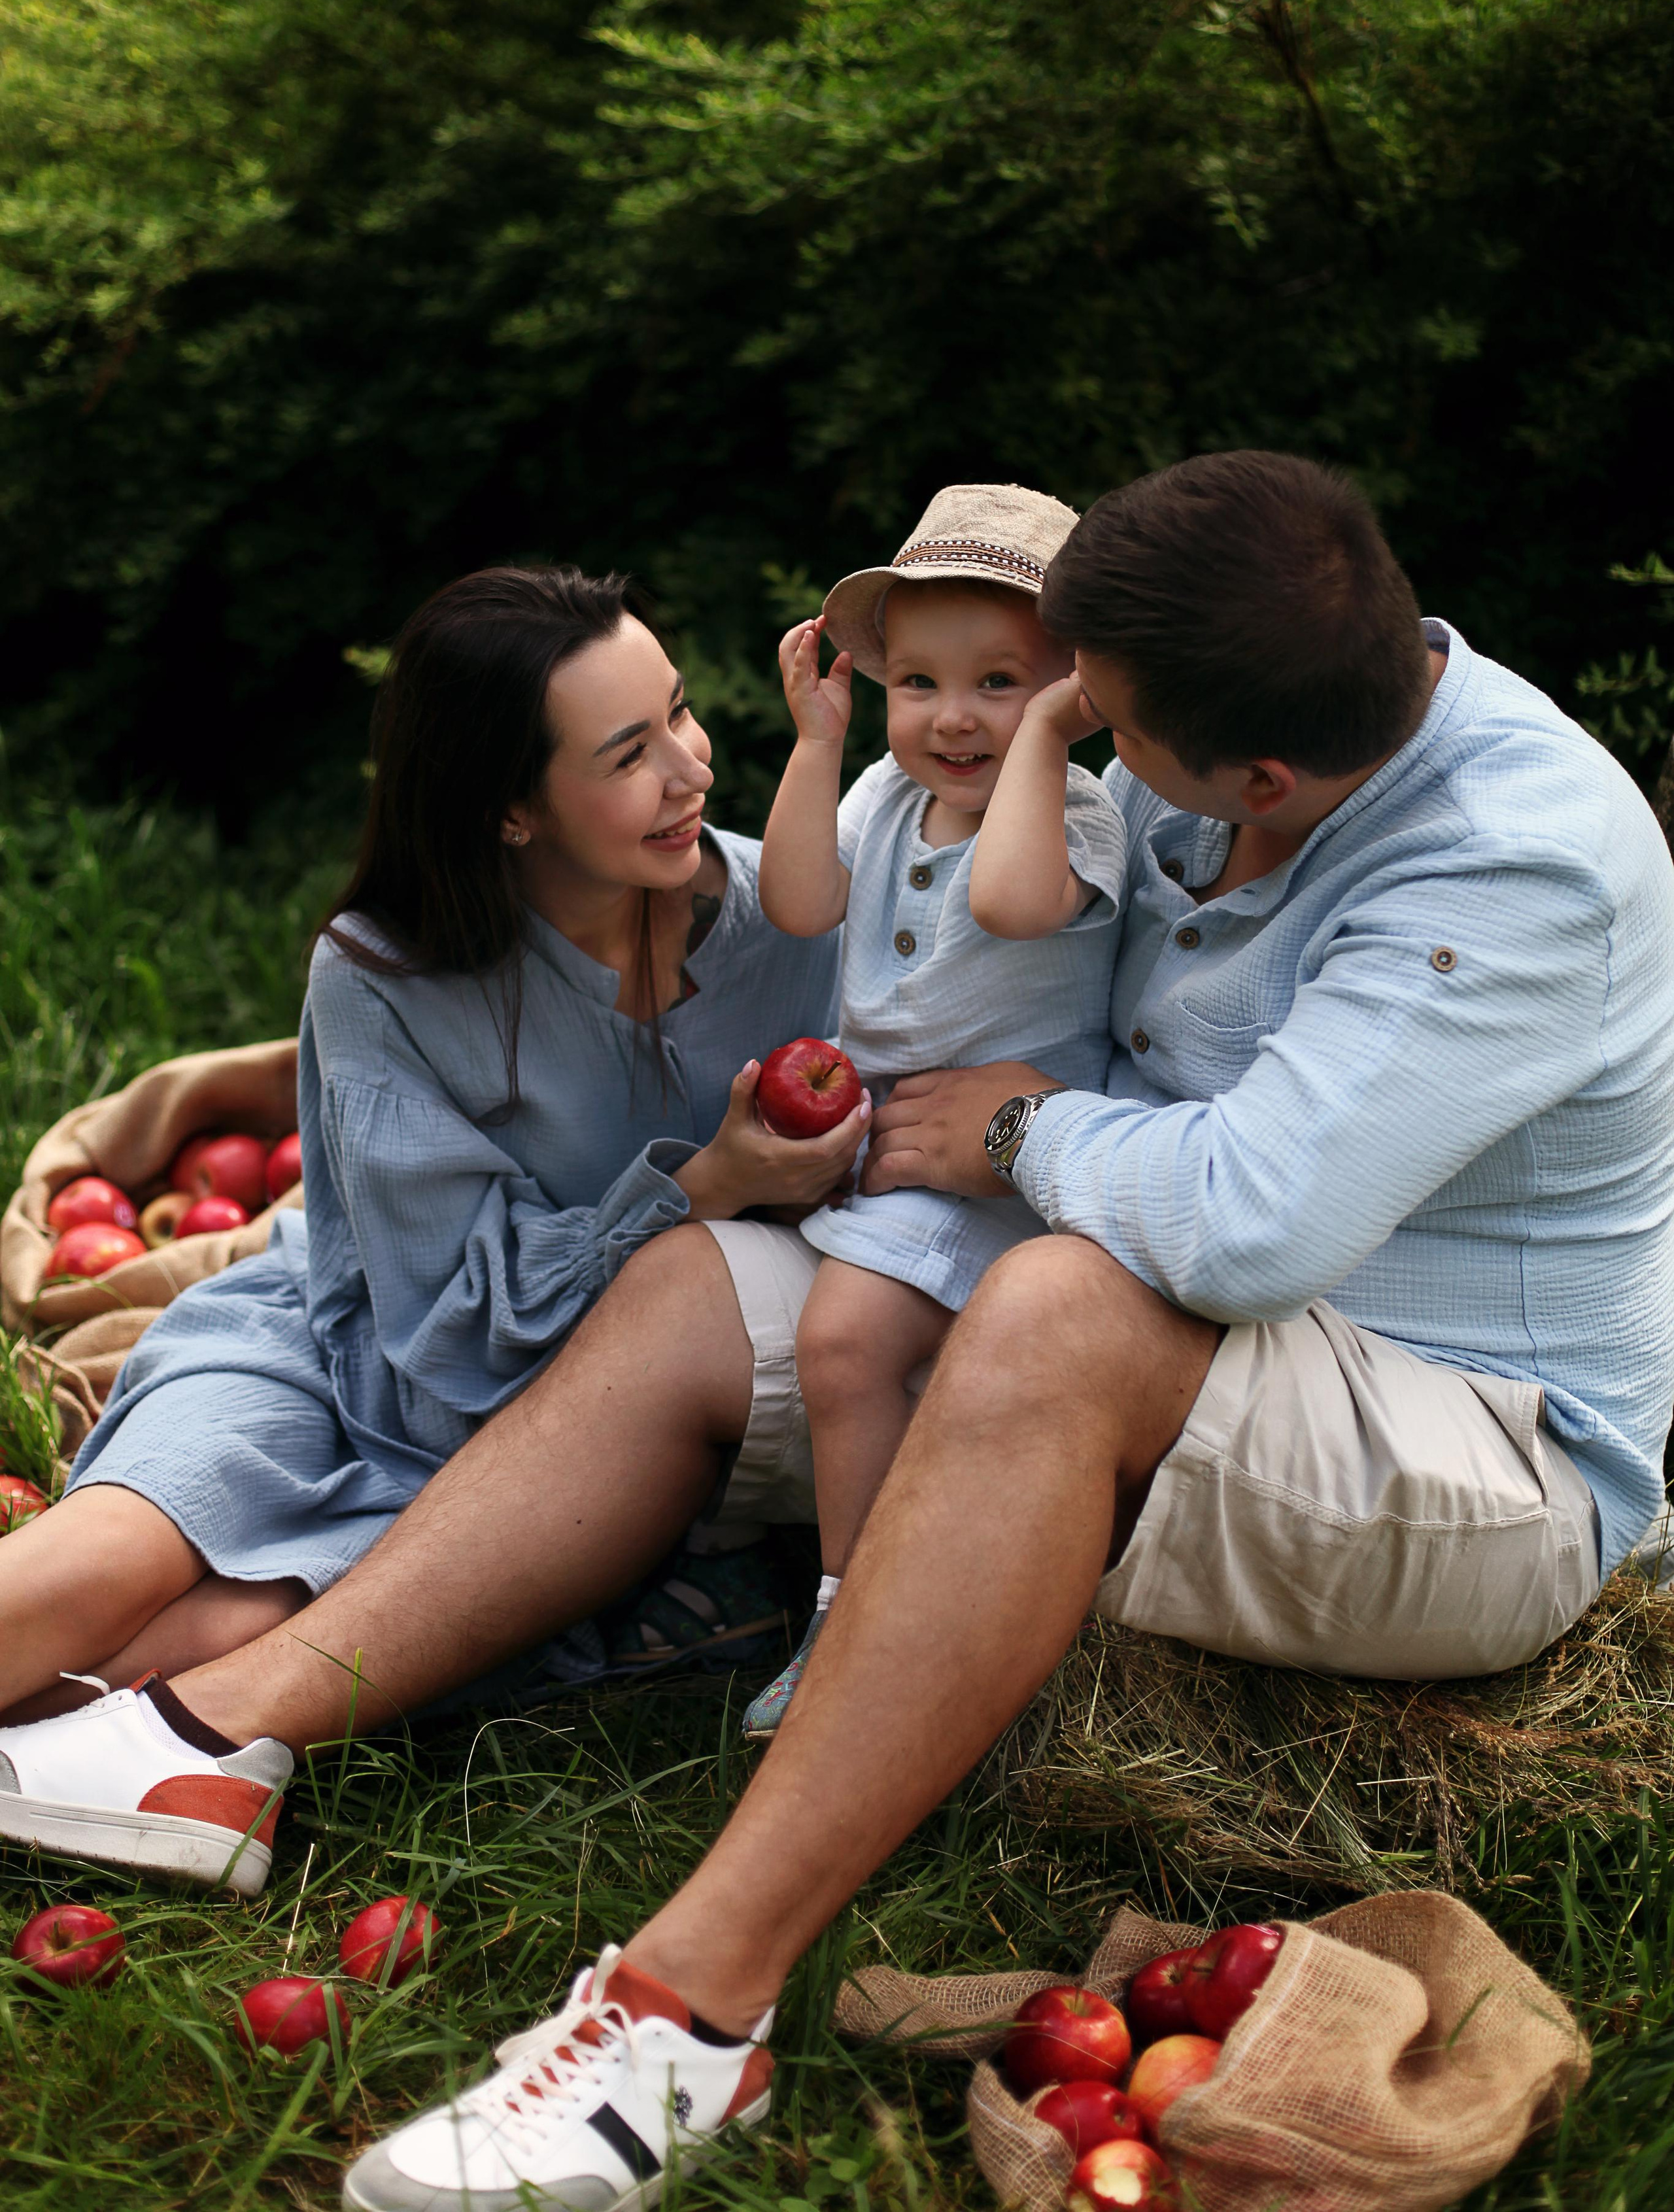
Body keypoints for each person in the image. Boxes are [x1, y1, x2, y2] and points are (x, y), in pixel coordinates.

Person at [3, 452, 1670, 2212]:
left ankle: (683, 2017)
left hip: (1464, 1438)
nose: (1070, 740)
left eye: (1109, 729)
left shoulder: (1514, 867)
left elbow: (1252, 1231)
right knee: (706, 1277)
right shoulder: (1241, 718)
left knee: (1052, 1310)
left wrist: (1027, 1130)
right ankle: (219, 1738)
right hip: (1147, 1291)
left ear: (1259, 777)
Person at [0, 562, 863, 1886]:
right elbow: (451, 1323)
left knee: (184, 1649)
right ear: (510, 808)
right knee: (85, 1570)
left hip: (549, 1452)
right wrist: (703, 1187)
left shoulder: (795, 930)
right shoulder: (384, 972)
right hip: (348, 1353)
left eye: (679, 716)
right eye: (629, 752)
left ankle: (114, 1768)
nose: (692, 771)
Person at [746, 484, 1127, 1733]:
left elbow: (1016, 906)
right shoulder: (882, 797)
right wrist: (817, 744)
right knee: (861, 1355)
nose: (952, 719)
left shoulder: (1075, 815)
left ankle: (848, 1623)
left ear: (1078, 688)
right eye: (917, 684)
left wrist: (1053, 745)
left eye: (1002, 683)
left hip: (1000, 1166)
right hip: (882, 1146)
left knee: (846, 1343)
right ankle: (872, 1598)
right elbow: (799, 905)